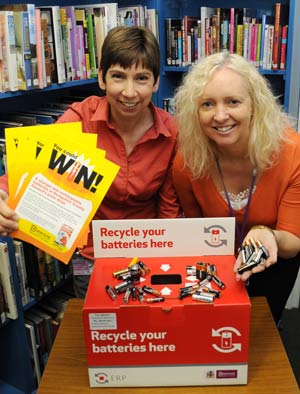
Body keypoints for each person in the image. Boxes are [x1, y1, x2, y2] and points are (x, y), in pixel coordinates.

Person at [0, 26, 181, 297]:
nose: (129, 92)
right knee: (99, 328)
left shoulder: (171, 133)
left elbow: (169, 209)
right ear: (102, 78)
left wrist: (165, 261)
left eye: (141, 78)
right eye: (118, 76)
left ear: (155, 82)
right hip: (90, 254)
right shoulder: (81, 119)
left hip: (147, 252)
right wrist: (2, 195)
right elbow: (34, 168)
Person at [172, 51, 300, 324]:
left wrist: (268, 235)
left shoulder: (292, 153)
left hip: (275, 264)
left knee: (262, 339)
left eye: (233, 102)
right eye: (207, 104)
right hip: (217, 266)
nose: (220, 115)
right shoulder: (188, 162)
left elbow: (292, 243)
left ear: (254, 105)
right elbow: (197, 234)